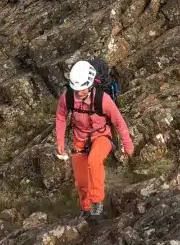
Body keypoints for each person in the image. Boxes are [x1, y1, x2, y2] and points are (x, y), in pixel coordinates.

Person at [55, 60, 134, 219]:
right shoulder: (68, 97)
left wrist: (127, 143)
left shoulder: (103, 99)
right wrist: (60, 141)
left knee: (94, 160)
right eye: (76, 89)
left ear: (90, 85)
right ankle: (85, 208)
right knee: (81, 181)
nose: (79, 93)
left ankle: (97, 202)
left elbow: (118, 121)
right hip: (80, 138)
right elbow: (61, 116)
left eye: (82, 89)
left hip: (102, 136)